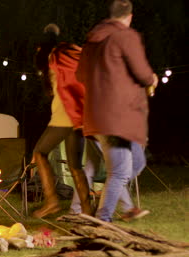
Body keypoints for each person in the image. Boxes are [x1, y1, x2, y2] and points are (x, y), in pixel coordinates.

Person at [76, 0, 158, 222]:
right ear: (129, 17)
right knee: (120, 172)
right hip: (117, 118)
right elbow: (142, 74)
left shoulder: (91, 43)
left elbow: (80, 76)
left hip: (97, 117)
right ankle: (102, 221)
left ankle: (113, 199)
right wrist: (153, 79)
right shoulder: (126, 37)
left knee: (137, 162)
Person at [30, 24, 92, 218]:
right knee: (75, 166)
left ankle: (52, 202)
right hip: (80, 115)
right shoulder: (71, 53)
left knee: (39, 153)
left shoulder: (52, 57)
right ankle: (88, 211)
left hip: (64, 114)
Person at [69, 139, 149, 221]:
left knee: (90, 170)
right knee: (118, 173)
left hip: (94, 131)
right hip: (105, 132)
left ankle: (76, 210)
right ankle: (127, 209)